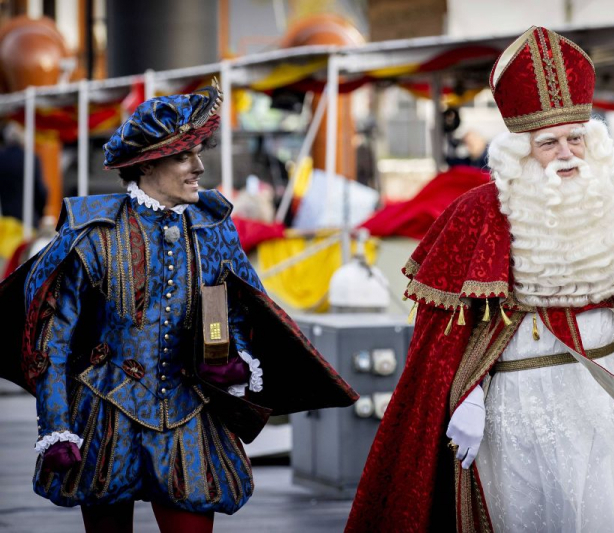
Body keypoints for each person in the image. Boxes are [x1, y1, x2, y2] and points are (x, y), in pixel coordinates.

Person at [346, 26, 614, 533]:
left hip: (606, 401)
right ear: (521, 149)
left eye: (575, 138)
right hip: (517, 407)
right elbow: (447, 337)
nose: (566, 153)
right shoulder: (477, 214)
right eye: (549, 142)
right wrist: (468, 393)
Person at [0, 82, 357, 532]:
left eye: (198, 152)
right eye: (184, 155)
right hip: (107, 415)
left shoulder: (213, 228)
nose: (199, 166)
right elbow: (52, 342)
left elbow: (237, 310)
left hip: (190, 413)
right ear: (148, 164)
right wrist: (55, 425)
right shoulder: (93, 233)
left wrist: (233, 358)